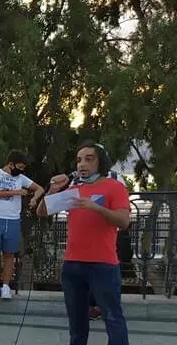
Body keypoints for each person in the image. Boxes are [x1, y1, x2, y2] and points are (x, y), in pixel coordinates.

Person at [37, 142, 130, 345]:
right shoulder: (74, 189)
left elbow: (123, 222)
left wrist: (96, 208)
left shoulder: (115, 187)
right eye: (79, 160)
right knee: (77, 323)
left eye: (89, 159)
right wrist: (52, 190)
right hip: (72, 265)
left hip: (103, 264)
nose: (82, 164)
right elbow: (42, 212)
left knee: (113, 317)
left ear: (101, 162)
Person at [0, 150, 44, 300]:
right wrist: (16, 191)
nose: (21, 170)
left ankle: (6, 286)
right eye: (19, 167)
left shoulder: (21, 178)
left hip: (12, 219)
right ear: (10, 164)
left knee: (10, 253)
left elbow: (40, 189)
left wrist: (34, 198)